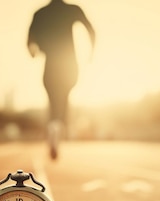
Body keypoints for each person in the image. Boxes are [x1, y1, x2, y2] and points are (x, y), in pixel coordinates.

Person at [27, 0, 95, 159]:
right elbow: (91, 30)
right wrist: (91, 52)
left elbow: (30, 40)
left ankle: (54, 125)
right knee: (63, 97)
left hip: (51, 65)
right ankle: (59, 124)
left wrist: (34, 51)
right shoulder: (72, 9)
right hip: (69, 65)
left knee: (53, 100)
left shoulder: (40, 13)